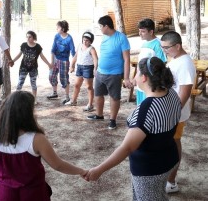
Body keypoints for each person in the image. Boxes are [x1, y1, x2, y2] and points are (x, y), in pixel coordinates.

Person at [84, 57, 181, 201]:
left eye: (136, 73)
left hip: (150, 171)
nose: (133, 77)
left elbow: (127, 148)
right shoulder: (172, 93)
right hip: (169, 159)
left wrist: (99, 170)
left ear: (144, 77)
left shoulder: (146, 109)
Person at [0, 91, 87, 201]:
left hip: (6, 193)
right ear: (27, 114)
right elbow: (58, 165)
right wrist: (81, 171)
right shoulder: (37, 139)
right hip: (33, 193)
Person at [160, 31, 196, 193]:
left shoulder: (185, 63)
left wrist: (173, 113)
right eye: (162, 48)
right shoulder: (176, 59)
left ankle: (171, 182)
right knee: (168, 146)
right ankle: (167, 178)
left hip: (176, 114)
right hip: (170, 111)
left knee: (173, 145)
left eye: (166, 48)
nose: (164, 51)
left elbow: (185, 92)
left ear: (177, 46)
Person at [87, 15, 132, 130]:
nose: (100, 29)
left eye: (101, 26)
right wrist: (96, 69)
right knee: (98, 95)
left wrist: (126, 78)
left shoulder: (121, 38)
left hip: (115, 74)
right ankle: (99, 115)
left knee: (114, 97)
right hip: (101, 72)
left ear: (106, 26)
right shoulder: (104, 37)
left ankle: (112, 120)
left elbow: (127, 59)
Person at [12, 30, 52, 102]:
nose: (28, 38)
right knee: (20, 83)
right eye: (27, 37)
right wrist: (12, 61)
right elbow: (19, 54)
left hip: (33, 69)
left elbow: (42, 56)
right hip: (23, 68)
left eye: (30, 37)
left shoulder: (37, 47)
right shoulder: (24, 45)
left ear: (33, 38)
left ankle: (34, 99)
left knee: (33, 84)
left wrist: (48, 64)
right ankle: (16, 99)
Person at [134, 19, 166, 105]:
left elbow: (161, 65)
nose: (140, 33)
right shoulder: (144, 43)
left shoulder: (158, 45)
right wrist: (136, 77)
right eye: (139, 31)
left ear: (151, 32)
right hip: (141, 81)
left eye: (143, 31)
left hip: (149, 84)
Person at [66, 31, 98, 111]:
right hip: (79, 67)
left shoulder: (91, 49)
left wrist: (95, 68)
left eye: (87, 40)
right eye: (84, 40)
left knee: (89, 86)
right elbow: (75, 56)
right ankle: (73, 100)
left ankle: (90, 104)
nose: (85, 41)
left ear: (90, 41)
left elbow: (95, 59)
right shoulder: (80, 46)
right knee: (77, 85)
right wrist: (72, 66)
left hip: (88, 68)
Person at [47, 20, 76, 105]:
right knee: (51, 76)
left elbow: (73, 52)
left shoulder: (69, 38)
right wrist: (52, 62)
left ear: (63, 29)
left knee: (64, 79)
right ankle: (55, 93)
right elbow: (53, 50)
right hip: (56, 59)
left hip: (64, 61)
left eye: (58, 27)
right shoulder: (56, 36)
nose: (56, 28)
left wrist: (72, 65)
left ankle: (67, 97)